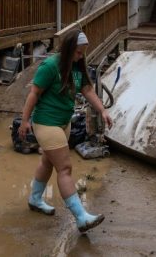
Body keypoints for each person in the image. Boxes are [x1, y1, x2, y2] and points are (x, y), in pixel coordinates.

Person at [19, 30, 113, 233]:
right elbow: (34, 93)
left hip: (63, 122)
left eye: (83, 53)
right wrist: (24, 121)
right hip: (46, 122)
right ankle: (81, 217)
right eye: (78, 52)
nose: (81, 56)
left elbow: (87, 91)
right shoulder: (50, 66)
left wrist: (103, 111)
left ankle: (35, 199)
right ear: (68, 49)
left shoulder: (78, 68)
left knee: (47, 162)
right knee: (65, 168)